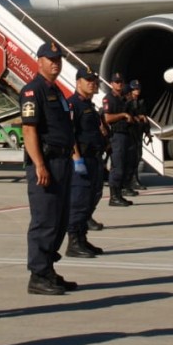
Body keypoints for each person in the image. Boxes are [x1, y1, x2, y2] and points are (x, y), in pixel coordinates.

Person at [20, 41, 79, 295]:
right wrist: (39, 165)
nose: (56, 63)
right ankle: (38, 275)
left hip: (62, 162)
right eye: (51, 59)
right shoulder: (33, 91)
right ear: (39, 61)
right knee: (44, 220)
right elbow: (29, 129)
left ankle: (48, 269)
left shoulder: (57, 92)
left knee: (60, 219)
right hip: (47, 163)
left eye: (58, 60)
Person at [65, 68, 106, 258]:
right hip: (82, 159)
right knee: (79, 201)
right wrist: (76, 159)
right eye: (88, 80)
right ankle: (73, 242)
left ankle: (82, 238)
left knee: (91, 198)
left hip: (94, 159)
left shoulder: (89, 105)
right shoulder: (73, 105)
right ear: (78, 82)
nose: (92, 83)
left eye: (94, 80)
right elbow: (70, 134)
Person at [102, 73, 133, 207]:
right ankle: (113, 197)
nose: (119, 84)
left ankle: (119, 194)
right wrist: (123, 114)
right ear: (111, 83)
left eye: (121, 81)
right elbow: (107, 118)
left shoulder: (123, 99)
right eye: (116, 82)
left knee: (125, 165)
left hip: (126, 134)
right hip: (116, 135)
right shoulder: (109, 99)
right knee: (117, 167)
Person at [124, 80, 151, 195]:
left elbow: (145, 118)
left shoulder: (141, 102)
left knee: (138, 156)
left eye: (138, 89)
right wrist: (137, 117)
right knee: (131, 158)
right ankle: (131, 181)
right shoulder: (127, 102)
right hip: (130, 133)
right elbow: (126, 116)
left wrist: (148, 132)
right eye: (135, 89)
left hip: (139, 132)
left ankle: (134, 179)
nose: (137, 91)